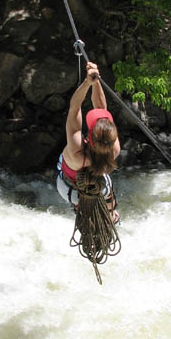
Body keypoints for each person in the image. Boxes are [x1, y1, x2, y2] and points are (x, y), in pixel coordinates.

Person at [56, 61, 120, 222]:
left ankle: (82, 212)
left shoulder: (76, 150)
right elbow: (101, 108)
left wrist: (88, 82)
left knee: (61, 164)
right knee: (106, 186)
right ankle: (111, 215)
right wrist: (96, 81)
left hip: (69, 192)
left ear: (89, 136)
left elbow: (74, 108)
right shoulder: (114, 149)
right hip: (101, 189)